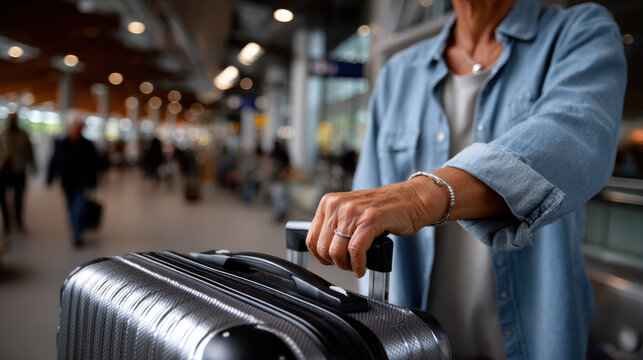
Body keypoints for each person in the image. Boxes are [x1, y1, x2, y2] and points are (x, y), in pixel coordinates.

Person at [305, 0, 627, 359]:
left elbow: (575, 136)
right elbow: (367, 229)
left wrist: (421, 196)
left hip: (537, 341)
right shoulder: (399, 74)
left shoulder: (578, 32)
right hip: (416, 346)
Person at [47, 117, 99, 246]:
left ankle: (77, 235)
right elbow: (54, 161)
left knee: (79, 208)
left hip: (82, 181)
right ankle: (75, 229)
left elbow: (94, 164)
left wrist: (94, 181)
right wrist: (50, 178)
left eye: (78, 128)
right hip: (67, 181)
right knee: (70, 207)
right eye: (74, 127)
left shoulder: (88, 144)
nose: (76, 130)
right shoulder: (62, 143)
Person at [0, 112, 35, 234]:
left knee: (18, 197)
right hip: (4, 171)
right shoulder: (3, 134)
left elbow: (29, 152)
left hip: (19, 170)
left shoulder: (23, 134)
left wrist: (33, 166)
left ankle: (19, 222)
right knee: (3, 197)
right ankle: (7, 223)